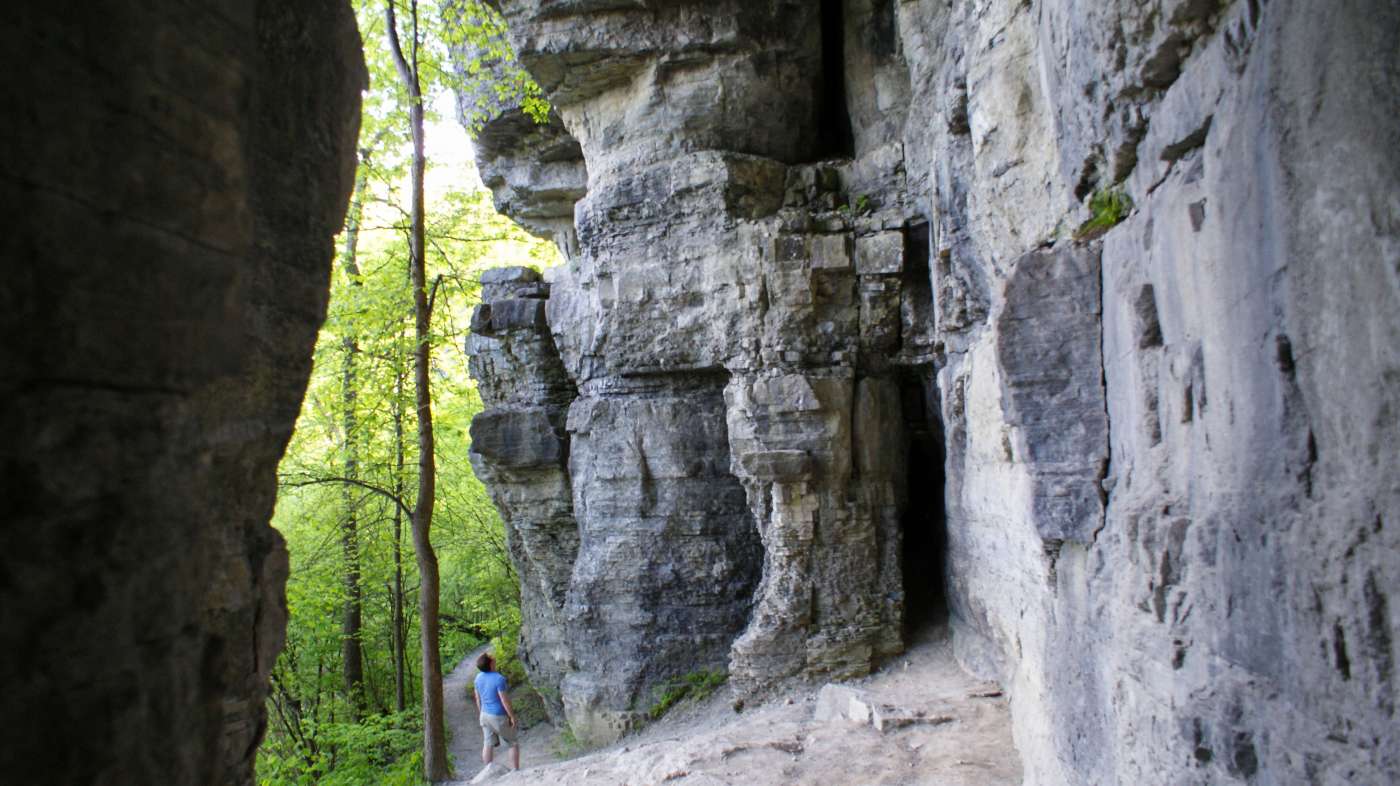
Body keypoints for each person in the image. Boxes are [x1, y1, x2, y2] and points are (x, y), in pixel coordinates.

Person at [473, 652, 520, 770]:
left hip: (484, 714)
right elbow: (504, 700)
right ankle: (516, 771)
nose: (494, 658)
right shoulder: (499, 679)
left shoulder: (478, 677)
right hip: (498, 715)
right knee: (512, 743)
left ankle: (488, 772)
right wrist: (512, 716)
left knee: (487, 744)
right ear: (491, 664)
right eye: (491, 658)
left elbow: (477, 698)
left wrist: (481, 713)